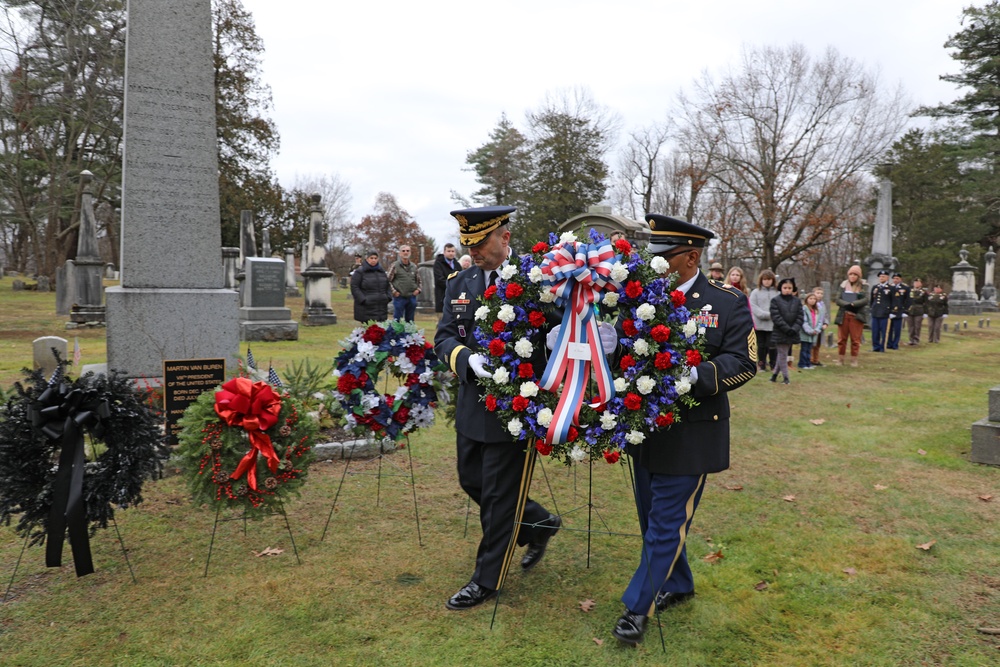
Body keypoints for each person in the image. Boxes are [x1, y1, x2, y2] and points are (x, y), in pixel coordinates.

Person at [611, 214, 756, 646]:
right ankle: (679, 582)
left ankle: (638, 607)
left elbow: (743, 361)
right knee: (651, 517)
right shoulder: (640, 296)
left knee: (665, 522)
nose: (656, 263)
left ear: (692, 257)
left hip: (693, 431)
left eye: (665, 256)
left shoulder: (725, 302)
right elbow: (622, 346)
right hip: (646, 429)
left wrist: (690, 374)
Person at [434, 205, 561, 611]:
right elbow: (443, 337)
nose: (473, 252)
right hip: (474, 402)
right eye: (468, 244)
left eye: (480, 244)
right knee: (471, 480)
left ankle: (486, 580)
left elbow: (560, 329)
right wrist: (466, 359)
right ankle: (540, 522)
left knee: (500, 498)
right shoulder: (461, 280)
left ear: (504, 238)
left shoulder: (535, 279)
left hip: (516, 407)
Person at [769, 277, 803, 384]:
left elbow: (800, 316)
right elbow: (776, 316)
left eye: (789, 288)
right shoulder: (775, 301)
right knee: (783, 354)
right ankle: (786, 377)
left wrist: (794, 329)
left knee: (781, 354)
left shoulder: (797, 301)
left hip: (792, 332)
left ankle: (774, 376)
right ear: (781, 288)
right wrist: (786, 329)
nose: (787, 290)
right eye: (785, 287)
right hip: (780, 332)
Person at [833, 265, 869, 366]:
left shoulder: (864, 285)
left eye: (855, 274)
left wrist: (854, 303)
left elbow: (866, 299)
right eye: (851, 274)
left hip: (856, 315)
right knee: (841, 339)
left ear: (858, 276)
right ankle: (840, 359)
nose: (852, 276)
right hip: (844, 314)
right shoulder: (843, 284)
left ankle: (854, 359)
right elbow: (837, 299)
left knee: (855, 339)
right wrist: (846, 304)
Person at [349, 251, 392, 323]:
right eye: (371, 258)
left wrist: (388, 297)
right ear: (367, 259)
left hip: (381, 307)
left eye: (375, 258)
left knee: (381, 331)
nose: (373, 260)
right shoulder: (360, 272)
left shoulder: (381, 272)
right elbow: (354, 286)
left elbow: (387, 285)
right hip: (366, 308)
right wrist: (363, 299)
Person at [749, 270, 778, 372]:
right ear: (761, 280)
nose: (767, 282)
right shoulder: (755, 292)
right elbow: (753, 306)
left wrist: (773, 314)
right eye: (765, 279)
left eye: (769, 279)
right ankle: (761, 364)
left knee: (772, 345)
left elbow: (779, 306)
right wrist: (764, 314)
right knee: (761, 345)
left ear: (773, 280)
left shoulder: (777, 292)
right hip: (759, 324)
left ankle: (773, 364)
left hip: (773, 324)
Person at [387, 245, 422, 322]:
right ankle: (396, 334)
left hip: (411, 297)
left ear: (410, 253)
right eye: (403, 251)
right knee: (397, 320)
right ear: (400, 253)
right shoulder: (394, 265)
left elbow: (419, 280)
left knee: (410, 321)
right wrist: (394, 291)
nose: (405, 252)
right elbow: (387, 280)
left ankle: (410, 334)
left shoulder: (414, 266)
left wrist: (418, 290)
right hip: (399, 297)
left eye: (407, 251)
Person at [869, 270, 892, 352]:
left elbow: (894, 301)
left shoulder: (890, 288)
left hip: (885, 313)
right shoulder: (875, 287)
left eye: (883, 276)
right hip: (875, 312)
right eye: (880, 276)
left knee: (884, 331)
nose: (881, 278)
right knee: (875, 331)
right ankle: (875, 347)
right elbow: (872, 300)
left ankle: (883, 347)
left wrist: (892, 312)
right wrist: (871, 308)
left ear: (887, 278)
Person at [886, 273, 910, 350]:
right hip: (890, 311)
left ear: (900, 279)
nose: (895, 280)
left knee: (897, 329)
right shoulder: (889, 287)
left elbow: (908, 300)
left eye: (897, 278)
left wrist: (905, 311)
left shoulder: (905, 287)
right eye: (894, 278)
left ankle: (895, 344)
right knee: (889, 329)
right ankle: (889, 343)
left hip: (900, 311)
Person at [433, 243, 458, 314]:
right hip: (442, 296)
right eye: (449, 251)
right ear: (444, 252)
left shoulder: (457, 264)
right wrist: (452, 285)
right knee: (441, 321)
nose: (451, 253)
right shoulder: (438, 264)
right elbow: (439, 279)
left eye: (453, 251)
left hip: (455, 297)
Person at [799, 291, 822, 370]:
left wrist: (817, 329)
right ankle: (802, 363)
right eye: (810, 298)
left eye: (814, 299)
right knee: (804, 349)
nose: (812, 300)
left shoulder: (816, 310)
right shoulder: (804, 309)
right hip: (806, 333)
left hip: (814, 332)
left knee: (809, 349)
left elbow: (819, 321)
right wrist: (810, 331)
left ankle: (808, 363)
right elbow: (804, 321)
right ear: (806, 299)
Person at [810, 287, 830, 367]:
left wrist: (825, 323)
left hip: (821, 327)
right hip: (813, 327)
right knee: (812, 344)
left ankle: (816, 360)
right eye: (818, 293)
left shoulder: (822, 304)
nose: (820, 295)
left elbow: (825, 315)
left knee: (818, 344)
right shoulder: (811, 304)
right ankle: (810, 359)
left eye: (821, 293)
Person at [906, 278, 927, 345]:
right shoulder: (909, 290)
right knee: (910, 326)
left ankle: (916, 339)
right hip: (910, 310)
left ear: (921, 284)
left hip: (919, 310)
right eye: (915, 282)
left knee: (917, 326)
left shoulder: (923, 292)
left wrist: (925, 312)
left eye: (918, 282)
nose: (916, 284)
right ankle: (911, 339)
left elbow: (926, 302)